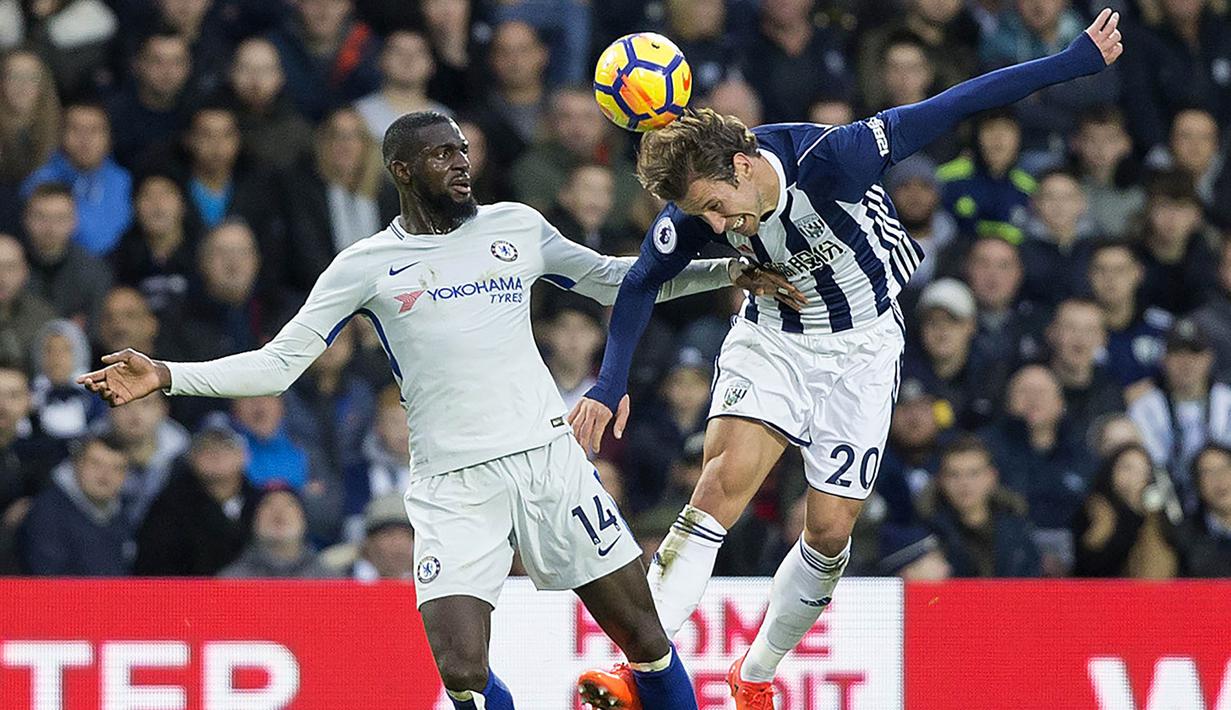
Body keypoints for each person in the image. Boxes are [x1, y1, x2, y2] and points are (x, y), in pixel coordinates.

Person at [78, 111, 794, 710]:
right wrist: (168, 374)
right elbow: (278, 362)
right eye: (441, 154)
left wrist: (727, 271)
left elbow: (612, 281)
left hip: (548, 463)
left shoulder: (514, 224)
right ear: (399, 169)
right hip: (453, 485)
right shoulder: (365, 263)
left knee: (642, 637)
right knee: (462, 676)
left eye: (463, 151)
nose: (460, 164)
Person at [568, 11, 1122, 707]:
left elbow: (956, 103)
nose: (712, 228)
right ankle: (640, 667)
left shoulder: (835, 157)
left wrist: (1071, 61)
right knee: (717, 487)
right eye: (699, 215)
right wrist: (609, 381)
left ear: (742, 165)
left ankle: (756, 672)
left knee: (828, 534)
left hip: (863, 347)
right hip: (773, 336)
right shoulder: (693, 210)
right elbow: (641, 281)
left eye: (715, 208)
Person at [18, 434, 133, 575]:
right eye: (96, 464)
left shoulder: (122, 515)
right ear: (77, 464)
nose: (105, 475)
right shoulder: (47, 513)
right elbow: (47, 581)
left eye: (116, 468)